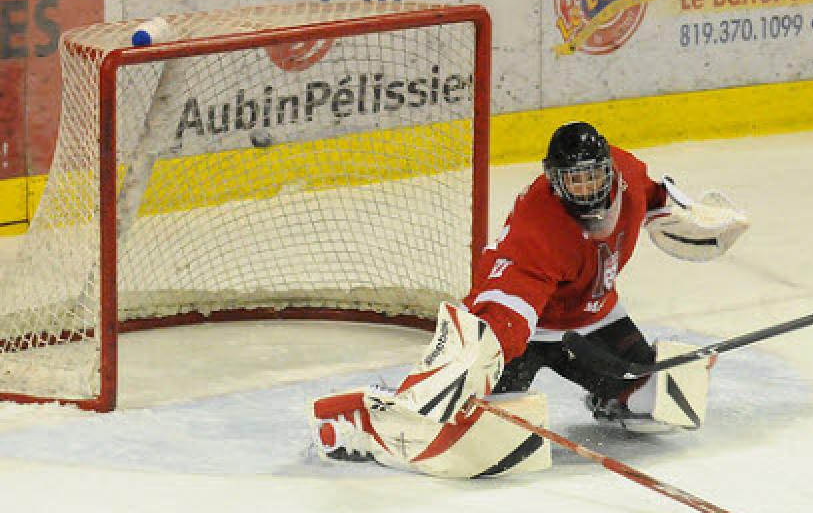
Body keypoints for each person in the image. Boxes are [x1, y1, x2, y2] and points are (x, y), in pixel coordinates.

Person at [308, 121, 749, 477]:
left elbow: (654, 198)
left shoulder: (628, 173)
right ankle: (390, 406)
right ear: (555, 182)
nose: (586, 189)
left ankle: (611, 397)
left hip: (593, 318)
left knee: (665, 401)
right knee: (482, 428)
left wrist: (687, 215)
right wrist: (489, 351)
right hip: (529, 329)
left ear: (609, 169)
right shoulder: (538, 229)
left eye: (593, 176)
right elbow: (509, 307)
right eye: (573, 181)